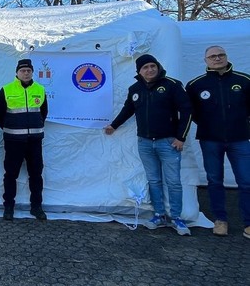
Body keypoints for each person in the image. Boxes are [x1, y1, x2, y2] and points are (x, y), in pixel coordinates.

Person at [104, 54, 193, 236]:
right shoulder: (135, 89)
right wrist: (114, 125)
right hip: (144, 143)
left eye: (153, 66)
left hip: (168, 142)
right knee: (153, 180)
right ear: (139, 71)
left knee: (174, 182)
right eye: (145, 67)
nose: (150, 70)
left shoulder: (172, 85)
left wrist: (181, 137)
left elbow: (187, 111)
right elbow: (128, 109)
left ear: (158, 67)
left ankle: (176, 217)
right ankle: (159, 214)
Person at [185, 46, 250, 239]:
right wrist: (208, 125)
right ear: (205, 60)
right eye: (212, 56)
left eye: (220, 55)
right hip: (210, 140)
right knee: (214, 181)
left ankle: (248, 222)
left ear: (226, 57)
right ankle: (220, 220)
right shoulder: (196, 85)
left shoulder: (244, 80)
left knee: (246, 182)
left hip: (240, 139)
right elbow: (191, 112)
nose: (217, 58)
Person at [0, 59, 48, 221]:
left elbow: (43, 112)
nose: (26, 73)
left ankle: (36, 207)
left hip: (34, 141)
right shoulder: (6, 89)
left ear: (32, 72)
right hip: (13, 141)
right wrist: (11, 127)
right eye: (23, 70)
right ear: (17, 73)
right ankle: (9, 207)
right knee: (11, 174)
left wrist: (35, 126)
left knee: (36, 174)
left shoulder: (40, 89)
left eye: (28, 71)